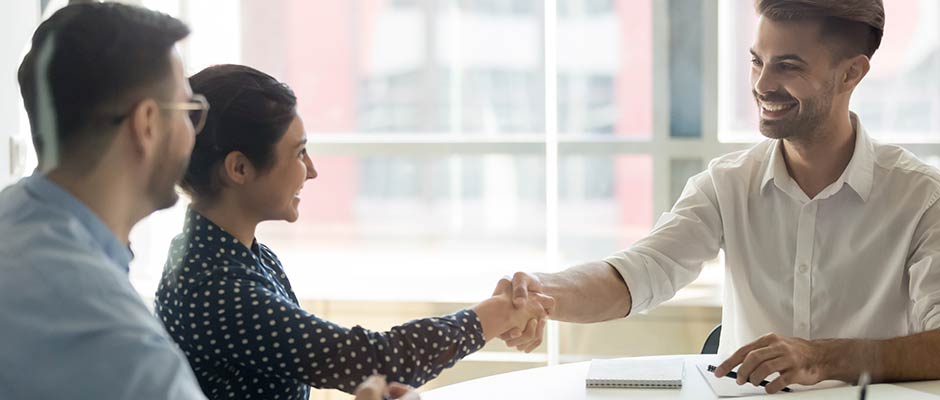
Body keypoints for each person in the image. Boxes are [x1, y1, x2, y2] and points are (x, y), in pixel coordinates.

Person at [504, 0, 940, 394]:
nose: (762, 85)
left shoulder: (921, 197)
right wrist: (543, 293)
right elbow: (639, 272)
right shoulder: (728, 183)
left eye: (788, 66)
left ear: (851, 73)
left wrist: (822, 357)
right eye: (757, 62)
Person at [154, 64, 552, 400]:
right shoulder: (217, 286)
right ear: (239, 169)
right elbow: (375, 361)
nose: (311, 170)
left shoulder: (221, 253)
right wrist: (495, 315)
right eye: (298, 152)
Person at [0, 3, 209, 398]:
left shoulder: (12, 221)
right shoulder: (125, 348)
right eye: (187, 110)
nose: (192, 132)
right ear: (146, 124)